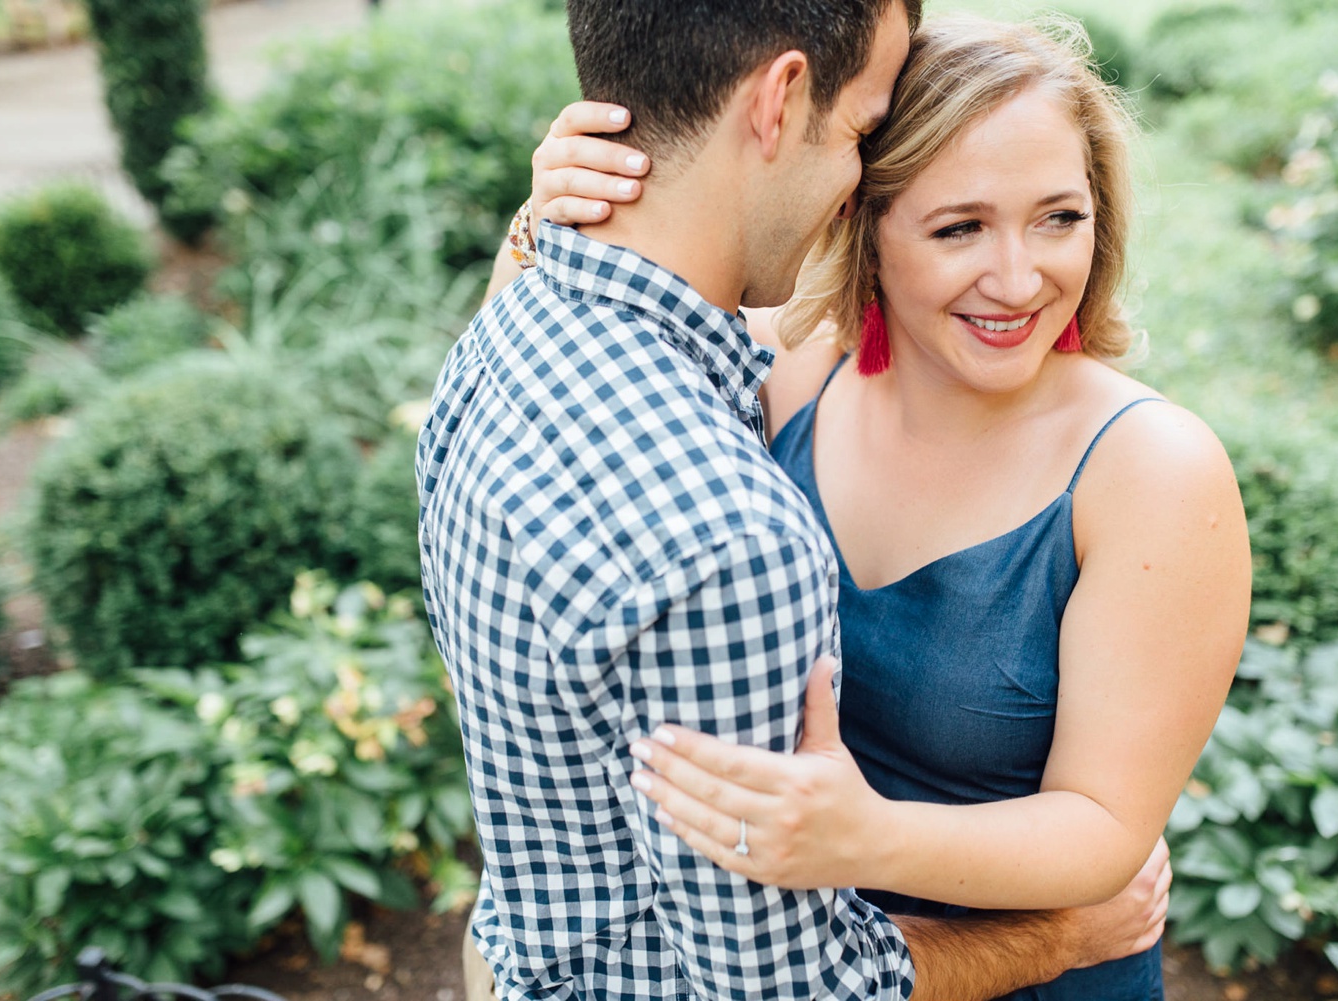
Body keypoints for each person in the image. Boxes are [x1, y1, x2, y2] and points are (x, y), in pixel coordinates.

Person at [423, 2, 1179, 1000]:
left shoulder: (1151, 467)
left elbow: (1108, 828)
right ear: (863, 216)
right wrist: (551, 214)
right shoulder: (786, 374)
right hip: (834, 950)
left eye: (1060, 216)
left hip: (1020, 962)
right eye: (957, 224)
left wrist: (882, 840)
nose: (1017, 274)